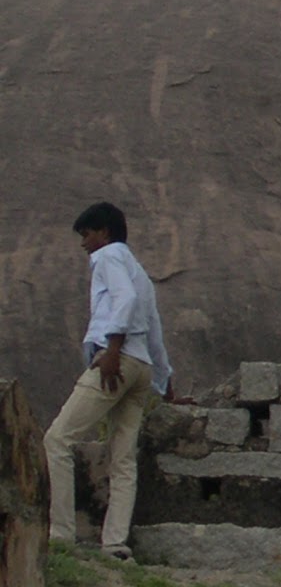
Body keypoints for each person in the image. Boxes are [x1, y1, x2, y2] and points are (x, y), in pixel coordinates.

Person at [44, 202, 175, 559]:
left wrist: (113, 348)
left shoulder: (109, 256)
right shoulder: (139, 271)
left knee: (57, 439)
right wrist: (166, 384)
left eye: (86, 234)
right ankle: (115, 545)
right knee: (123, 459)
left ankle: (60, 534)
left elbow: (125, 299)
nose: (83, 243)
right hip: (142, 369)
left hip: (117, 360)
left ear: (104, 232)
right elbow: (155, 330)